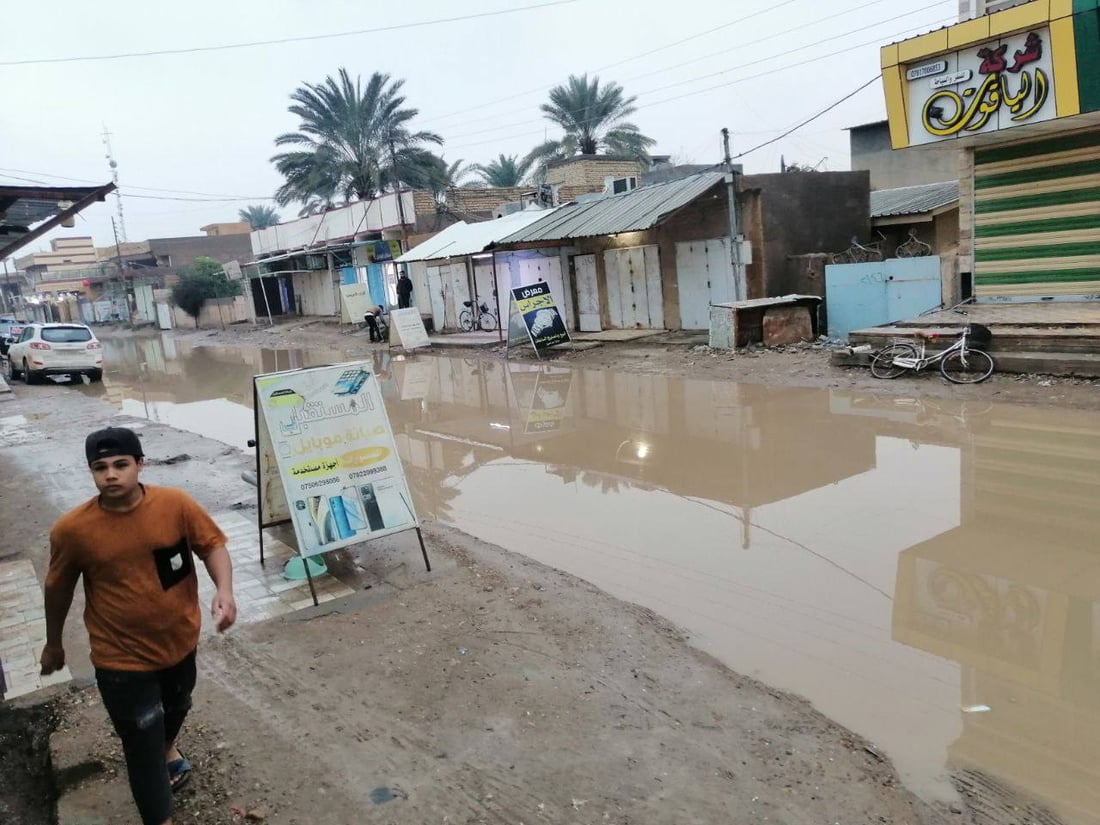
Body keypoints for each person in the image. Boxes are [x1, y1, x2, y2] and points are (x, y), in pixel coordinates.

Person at [40, 427, 237, 825]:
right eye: (100, 467)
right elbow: (57, 589)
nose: (111, 474)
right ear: (92, 472)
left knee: (178, 705)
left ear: (140, 464)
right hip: (121, 659)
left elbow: (212, 544)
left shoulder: (175, 505)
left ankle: (167, 747)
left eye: (120, 464)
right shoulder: (73, 530)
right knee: (141, 742)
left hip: (180, 641)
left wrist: (225, 591)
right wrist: (53, 643)